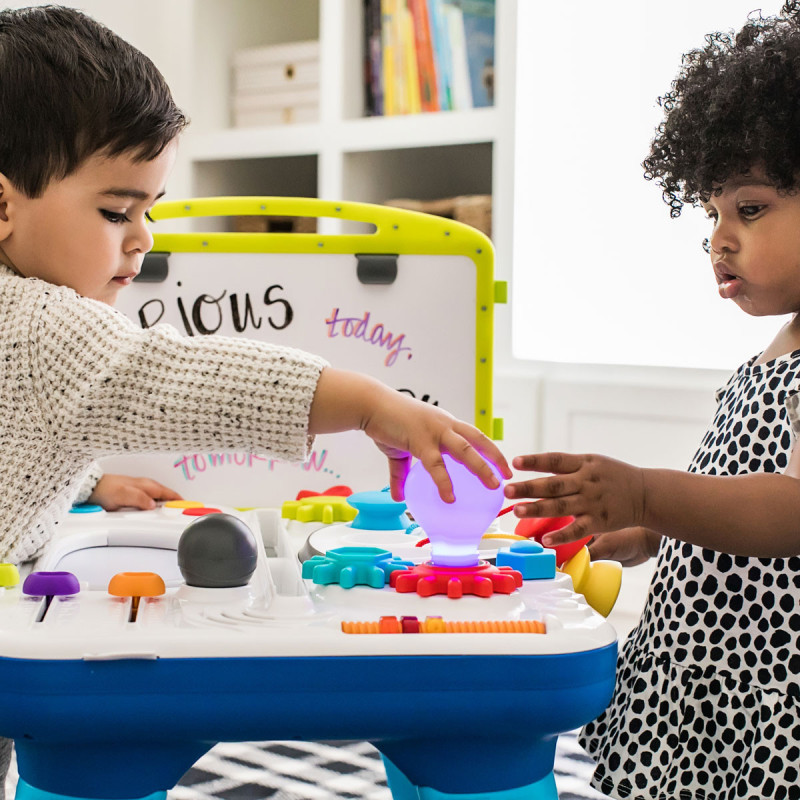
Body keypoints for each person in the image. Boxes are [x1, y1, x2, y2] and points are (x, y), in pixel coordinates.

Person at [0, 6, 511, 796]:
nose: (143, 240)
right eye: (116, 211)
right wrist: (369, 403)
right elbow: (189, 380)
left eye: (150, 209)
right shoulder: (42, 319)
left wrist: (88, 480)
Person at [505, 3, 800, 799]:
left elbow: (792, 512)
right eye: (710, 215)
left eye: (749, 208)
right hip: (710, 672)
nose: (720, 240)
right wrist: (643, 528)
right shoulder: (774, 352)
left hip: (767, 698)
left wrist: (644, 490)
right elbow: (734, 510)